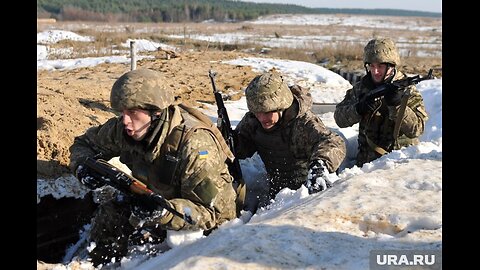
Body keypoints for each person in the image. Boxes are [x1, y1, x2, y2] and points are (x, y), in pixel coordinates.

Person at [69, 68, 238, 266]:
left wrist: (164, 213)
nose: (125, 121)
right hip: (154, 198)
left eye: (132, 112)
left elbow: (218, 215)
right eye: (122, 112)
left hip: (196, 223)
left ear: (156, 113)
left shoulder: (195, 145)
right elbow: (83, 144)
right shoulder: (127, 128)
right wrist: (82, 167)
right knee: (112, 209)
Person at [234, 70, 346, 207]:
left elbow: (334, 142)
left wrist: (319, 167)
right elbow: (241, 149)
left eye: (267, 112)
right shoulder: (252, 121)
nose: (262, 118)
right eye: (258, 112)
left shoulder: (303, 122)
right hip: (276, 193)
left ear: (281, 106)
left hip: (306, 194)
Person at [334, 38, 428, 167]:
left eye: (380, 66)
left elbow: (417, 130)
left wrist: (397, 106)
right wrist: (358, 109)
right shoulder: (361, 88)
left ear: (391, 66)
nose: (375, 71)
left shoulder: (407, 90)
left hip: (397, 164)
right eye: (371, 66)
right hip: (365, 165)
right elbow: (339, 119)